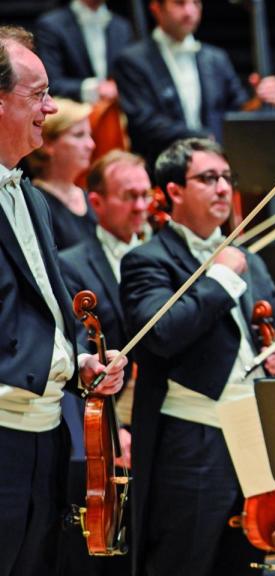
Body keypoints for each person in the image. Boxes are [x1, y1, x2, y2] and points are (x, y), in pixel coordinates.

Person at [119, 138, 275, 576]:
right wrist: (218, 277)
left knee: (243, 562)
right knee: (183, 560)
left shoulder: (251, 261)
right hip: (191, 439)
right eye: (207, 178)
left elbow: (264, 332)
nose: (222, 188)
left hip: (252, 438)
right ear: (173, 191)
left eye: (226, 178)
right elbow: (159, 334)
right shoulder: (147, 260)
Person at [0, 25, 125, 576]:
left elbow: (39, 316)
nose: (51, 107)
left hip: (46, 435)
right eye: (38, 93)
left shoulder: (32, 197)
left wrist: (80, 363)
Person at [56, 150, 149, 576]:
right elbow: (76, 346)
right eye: (129, 196)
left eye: (146, 195)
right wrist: (119, 431)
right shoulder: (71, 264)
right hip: (107, 420)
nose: (141, 206)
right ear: (96, 202)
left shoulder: (162, 257)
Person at [111, 0, 275, 164]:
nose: (189, 11)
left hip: (214, 166)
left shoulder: (216, 58)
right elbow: (143, 121)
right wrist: (203, 137)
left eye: (195, 3)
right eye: (180, 3)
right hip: (160, 166)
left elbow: (238, 111)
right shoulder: (132, 61)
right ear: (156, 8)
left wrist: (259, 100)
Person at [26, 97, 97, 250]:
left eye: (89, 135)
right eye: (79, 135)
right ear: (48, 144)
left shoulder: (91, 197)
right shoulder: (34, 202)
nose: (91, 145)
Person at [35, 0, 133, 103]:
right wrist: (96, 89)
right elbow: (52, 83)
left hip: (115, 105)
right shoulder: (51, 25)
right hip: (74, 105)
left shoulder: (122, 27)